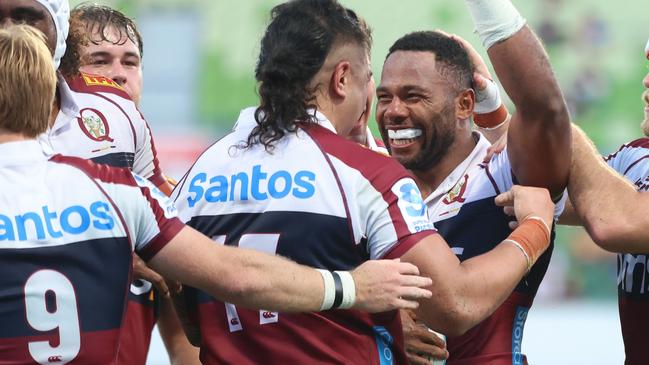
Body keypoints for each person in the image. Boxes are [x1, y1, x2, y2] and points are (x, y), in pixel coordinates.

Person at [0, 24, 436, 364]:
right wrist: (350, 288)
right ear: (52, 98)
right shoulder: (121, 191)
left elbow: (199, 307)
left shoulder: (177, 179)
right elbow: (234, 276)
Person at [171, 0, 557, 364]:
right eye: (372, 83)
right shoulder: (367, 175)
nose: (385, 108)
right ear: (342, 78)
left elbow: (191, 322)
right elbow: (455, 306)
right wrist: (535, 230)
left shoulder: (197, 174)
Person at [374, 0, 571, 363]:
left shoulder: (504, 173)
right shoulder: (365, 179)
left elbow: (545, 108)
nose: (394, 111)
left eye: (413, 96)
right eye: (384, 97)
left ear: (465, 105)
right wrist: (380, 319)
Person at [66, 5, 198, 364]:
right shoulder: (29, 178)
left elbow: (186, 340)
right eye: (100, 60)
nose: (118, 75)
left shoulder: (168, 197)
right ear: (65, 75)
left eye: (130, 62)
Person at [0, 0, 173, 196]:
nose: (7, 31)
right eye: (99, 61)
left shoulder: (117, 109)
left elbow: (162, 219)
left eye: (25, 20)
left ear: (60, 29)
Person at [556, 39, 649, 365]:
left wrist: (561, 126)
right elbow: (549, 193)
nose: (647, 80)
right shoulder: (636, 155)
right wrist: (491, 111)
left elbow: (617, 224)